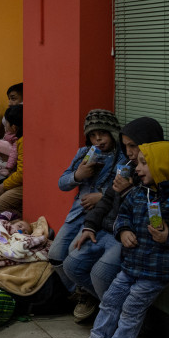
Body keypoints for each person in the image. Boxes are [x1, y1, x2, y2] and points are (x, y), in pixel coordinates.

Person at [68, 141, 169, 338]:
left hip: (159, 269)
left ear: (163, 166)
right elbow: (122, 216)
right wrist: (123, 231)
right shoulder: (140, 192)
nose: (137, 168)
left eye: (144, 164)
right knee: (110, 301)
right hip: (132, 264)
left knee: (130, 311)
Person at [63, 117, 165, 322]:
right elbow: (108, 198)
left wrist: (127, 191)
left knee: (100, 273)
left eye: (133, 146)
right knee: (71, 264)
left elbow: (149, 213)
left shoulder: (159, 170)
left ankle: (120, 320)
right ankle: (114, 312)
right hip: (107, 228)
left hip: (132, 235)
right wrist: (89, 226)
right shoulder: (127, 165)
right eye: (125, 146)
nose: (129, 152)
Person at [48, 109, 126, 294]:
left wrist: (102, 196)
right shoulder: (84, 153)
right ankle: (80, 292)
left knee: (75, 256)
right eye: (92, 135)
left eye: (103, 134)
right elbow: (62, 183)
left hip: (100, 217)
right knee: (55, 255)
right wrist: (77, 175)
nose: (98, 140)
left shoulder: (123, 157)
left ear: (113, 133)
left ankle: (86, 296)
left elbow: (127, 188)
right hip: (77, 213)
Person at [0, 105, 24, 214]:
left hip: (24, 183)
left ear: (14, 127)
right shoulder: (19, 140)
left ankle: (20, 223)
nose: (5, 126)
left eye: (6, 123)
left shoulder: (22, 142)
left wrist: (5, 185)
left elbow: (22, 174)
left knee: (1, 204)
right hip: (18, 179)